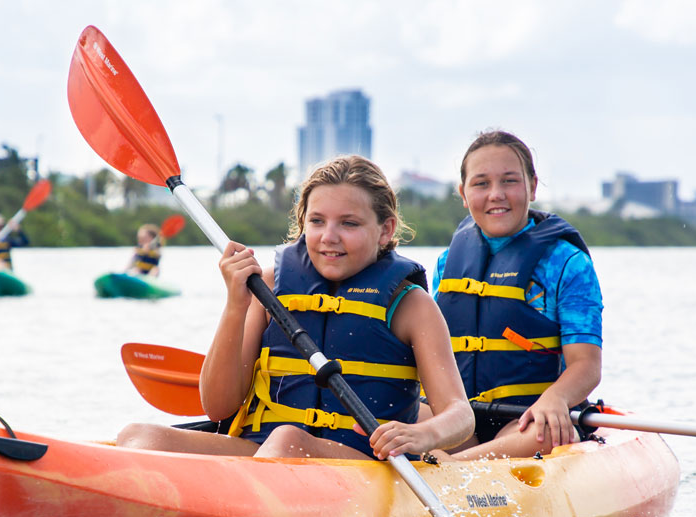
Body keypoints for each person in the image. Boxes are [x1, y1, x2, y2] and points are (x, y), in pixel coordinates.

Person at [117, 155, 473, 461]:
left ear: (385, 230)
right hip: (264, 455)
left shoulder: (412, 305)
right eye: (317, 221)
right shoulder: (268, 286)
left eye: (349, 223)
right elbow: (218, 407)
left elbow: (460, 415)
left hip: (361, 465)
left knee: (289, 442)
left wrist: (422, 436)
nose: (328, 236)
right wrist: (235, 307)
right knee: (141, 437)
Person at [427, 130, 603, 461]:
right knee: (400, 416)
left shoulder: (565, 263)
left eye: (509, 181)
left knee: (546, 431)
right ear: (463, 193)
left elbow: (587, 365)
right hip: (459, 421)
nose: (496, 194)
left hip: (527, 419)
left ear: (532, 186)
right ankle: (458, 461)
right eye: (481, 184)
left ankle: (452, 466)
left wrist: (555, 399)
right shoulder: (446, 263)